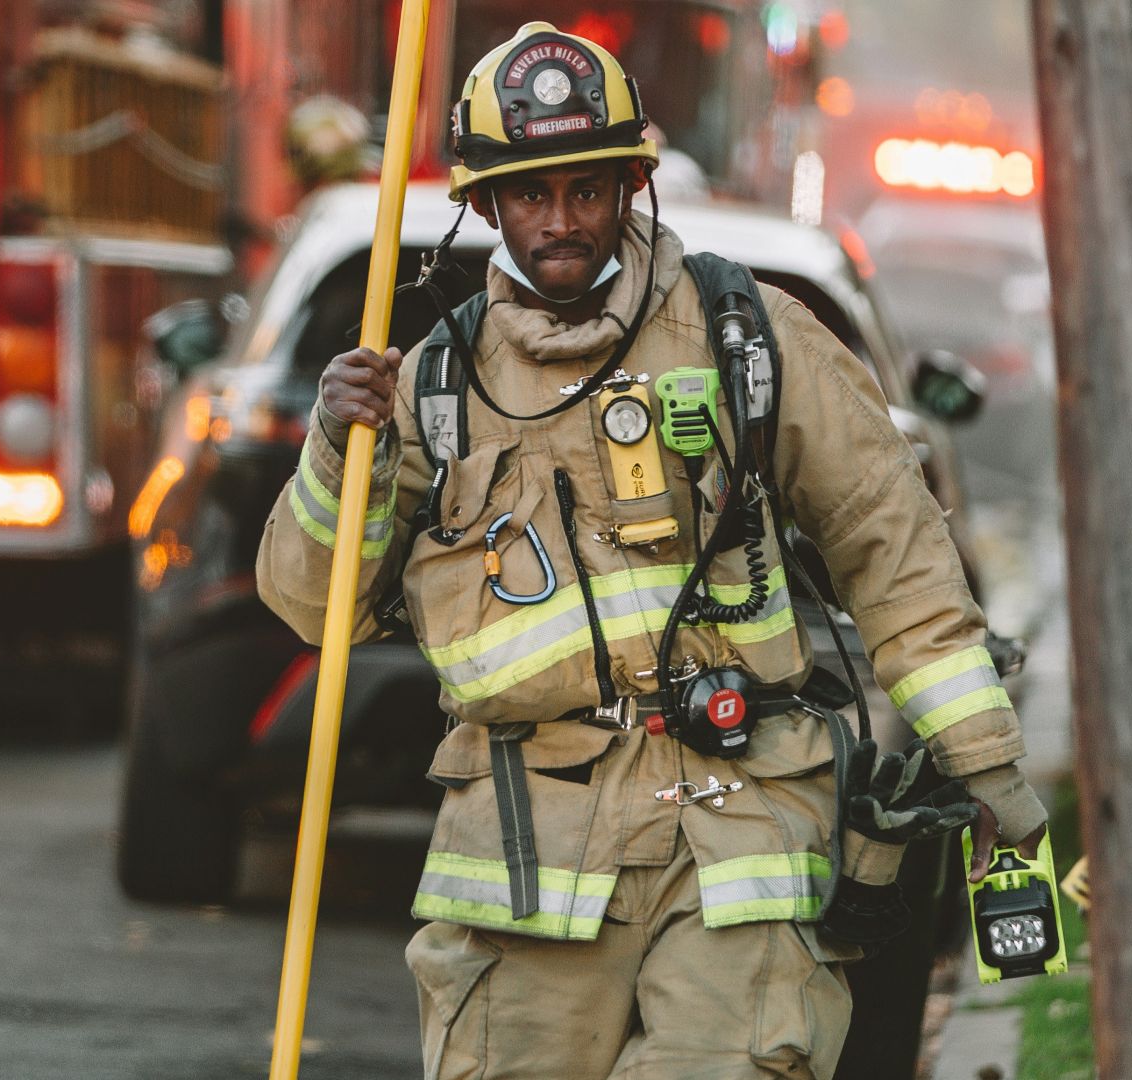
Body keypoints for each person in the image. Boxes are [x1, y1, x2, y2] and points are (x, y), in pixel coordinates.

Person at [256, 21, 1048, 1079]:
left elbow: (894, 554)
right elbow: (318, 610)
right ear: (485, 204)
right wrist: (330, 454)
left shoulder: (749, 339)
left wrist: (989, 770)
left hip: (741, 833)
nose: (561, 221)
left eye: (587, 189)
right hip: (527, 862)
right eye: (530, 194)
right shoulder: (433, 388)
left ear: (633, 185)